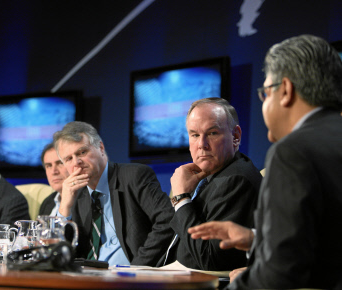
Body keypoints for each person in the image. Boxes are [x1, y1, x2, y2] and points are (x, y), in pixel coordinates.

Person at [188, 35, 342, 289]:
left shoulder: (293, 151)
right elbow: (327, 243)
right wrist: (256, 239)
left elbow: (282, 271)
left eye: (265, 93)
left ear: (286, 91)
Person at [159, 98, 262, 270]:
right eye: (195, 135)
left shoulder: (236, 180)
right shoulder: (209, 177)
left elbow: (209, 260)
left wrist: (181, 199)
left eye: (212, 133)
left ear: (235, 136)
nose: (202, 145)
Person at [53, 121, 173, 267]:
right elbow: (58, 254)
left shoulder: (134, 176)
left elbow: (167, 221)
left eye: (82, 152)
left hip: (129, 276)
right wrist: (65, 207)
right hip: (87, 277)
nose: (76, 162)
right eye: (68, 159)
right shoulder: (75, 195)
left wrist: (137, 269)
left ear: (101, 148)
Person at [39, 143, 69, 216]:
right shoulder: (47, 202)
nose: (53, 171)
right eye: (49, 166)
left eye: (60, 163)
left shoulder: (85, 201)